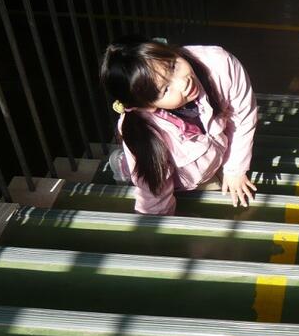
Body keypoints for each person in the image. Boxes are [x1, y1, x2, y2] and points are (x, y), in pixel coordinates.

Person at [100, 37, 258, 215]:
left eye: (172, 66)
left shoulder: (220, 65)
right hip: (178, 175)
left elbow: (243, 115)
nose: (183, 83)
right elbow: (154, 191)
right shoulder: (144, 131)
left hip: (209, 160)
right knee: (143, 171)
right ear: (147, 106)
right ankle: (124, 165)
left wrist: (235, 170)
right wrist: (157, 223)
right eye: (165, 89)